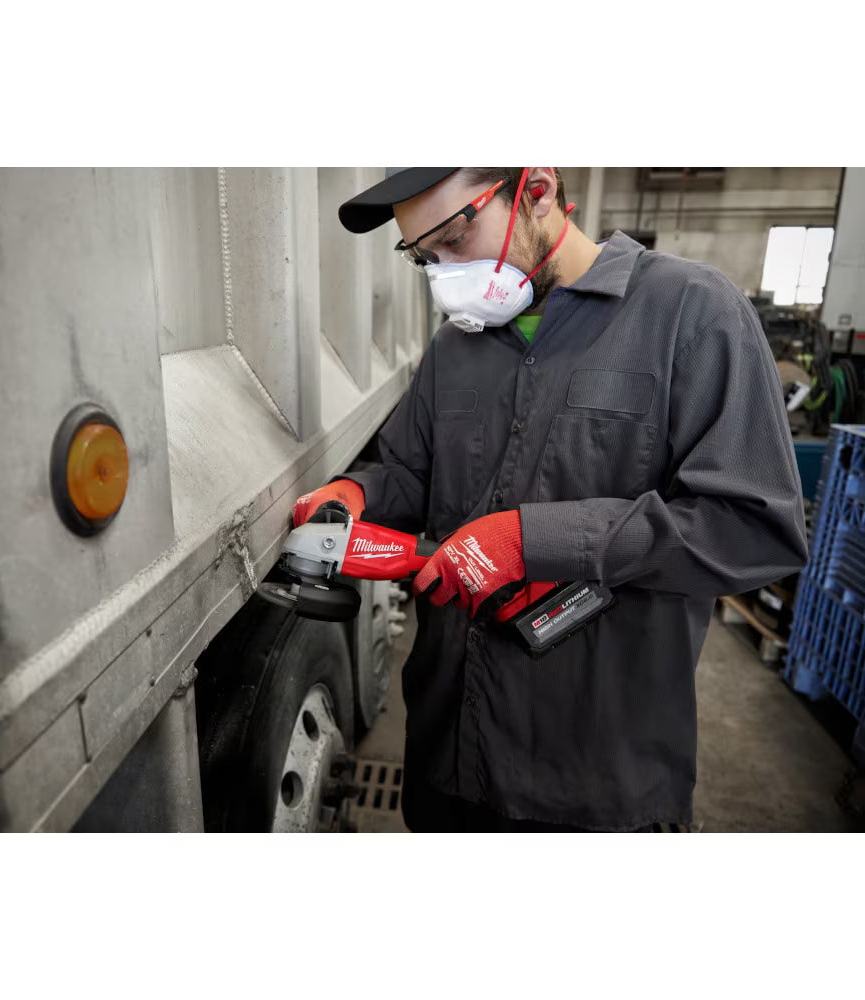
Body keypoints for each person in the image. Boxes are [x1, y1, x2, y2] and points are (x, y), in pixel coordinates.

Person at [293, 167, 809, 832]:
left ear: (536, 191)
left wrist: (532, 541)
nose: (446, 274)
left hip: (591, 781)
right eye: (425, 256)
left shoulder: (691, 313)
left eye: (456, 238)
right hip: (448, 759)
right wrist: (354, 492)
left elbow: (752, 526)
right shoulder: (455, 347)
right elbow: (415, 475)